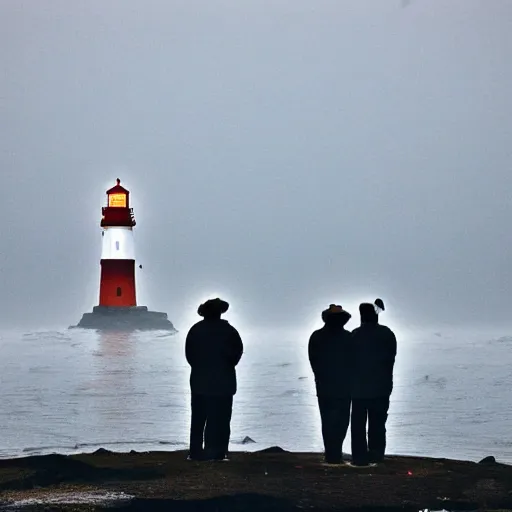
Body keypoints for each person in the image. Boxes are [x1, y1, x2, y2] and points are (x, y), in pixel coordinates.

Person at [185, 298, 243, 461]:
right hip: (223, 382)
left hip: (199, 381)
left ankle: (196, 451)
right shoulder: (229, 331)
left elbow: (190, 356)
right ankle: (218, 451)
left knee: (198, 418)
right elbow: (236, 353)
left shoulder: (195, 330)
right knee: (221, 419)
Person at [350, 299, 397, 466]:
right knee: (377, 425)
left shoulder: (354, 335)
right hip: (380, 388)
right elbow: (390, 359)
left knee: (358, 425)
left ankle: (359, 457)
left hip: (358, 389)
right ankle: (376, 455)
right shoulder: (387, 334)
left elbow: (348, 362)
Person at [308, 304, 353, 464]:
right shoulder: (348, 338)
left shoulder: (317, 336)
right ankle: (335, 452)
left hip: (324, 386)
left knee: (327, 420)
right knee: (341, 421)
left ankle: (331, 453)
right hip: (344, 387)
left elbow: (314, 362)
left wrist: (320, 377)